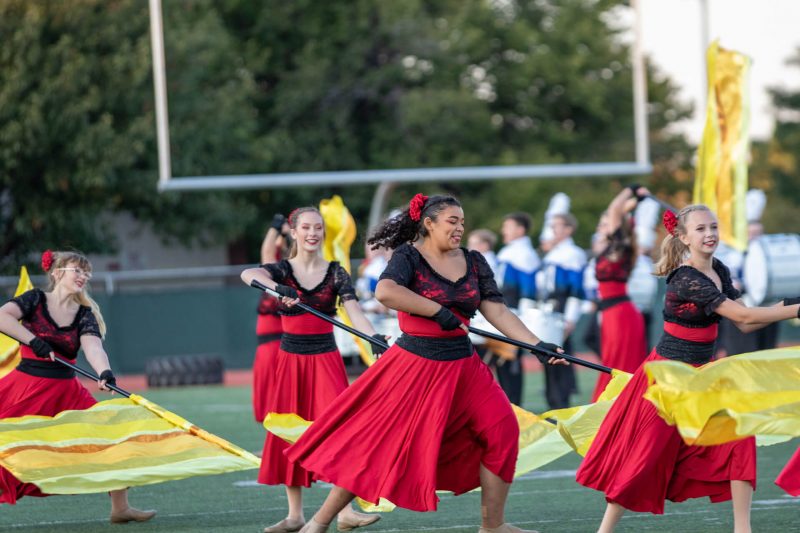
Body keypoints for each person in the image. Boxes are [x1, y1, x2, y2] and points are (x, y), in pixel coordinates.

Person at [283, 193, 567, 533]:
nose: (460, 227)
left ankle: (493, 527)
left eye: (462, 222)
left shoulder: (474, 260)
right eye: (452, 221)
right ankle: (318, 522)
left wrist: (536, 344)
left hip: (464, 367)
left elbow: (497, 310)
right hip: (415, 367)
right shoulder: (408, 256)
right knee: (380, 446)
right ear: (428, 224)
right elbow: (386, 291)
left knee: (502, 432)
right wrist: (437, 311)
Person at [575, 204, 800, 533]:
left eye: (713, 227)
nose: (710, 234)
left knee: (738, 437)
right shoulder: (685, 278)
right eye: (700, 229)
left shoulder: (719, 270)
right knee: (643, 457)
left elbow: (746, 321)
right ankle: (604, 531)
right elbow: (744, 317)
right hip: (667, 379)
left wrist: (789, 305)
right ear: (682, 237)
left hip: (704, 377)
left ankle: (743, 529)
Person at [240, 206, 385, 533]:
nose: (313, 233)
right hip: (290, 362)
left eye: (318, 227)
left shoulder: (336, 272)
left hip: (326, 361)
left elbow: (354, 311)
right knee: (288, 433)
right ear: (294, 231)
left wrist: (373, 335)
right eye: (306, 227)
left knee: (342, 431)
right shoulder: (281, 270)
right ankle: (295, 515)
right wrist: (278, 288)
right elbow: (248, 275)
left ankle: (345, 512)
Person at [0, 250, 156, 523]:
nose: (84, 277)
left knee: (111, 437)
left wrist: (104, 372)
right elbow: (3, 317)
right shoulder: (34, 300)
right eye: (78, 271)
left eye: (87, 273)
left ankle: (120, 508)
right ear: (58, 273)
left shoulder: (85, 314)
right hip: (25, 388)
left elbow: (94, 347)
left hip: (65, 391)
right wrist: (33, 341)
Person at [589, 186, 648, 401]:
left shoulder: (620, 246)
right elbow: (618, 212)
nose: (601, 226)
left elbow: (615, 209)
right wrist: (637, 200)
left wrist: (630, 189)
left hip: (620, 314)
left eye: (605, 223)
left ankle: (614, 412)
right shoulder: (612, 248)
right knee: (612, 363)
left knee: (618, 365)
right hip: (614, 313)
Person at [537, 212, 586, 409]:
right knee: (549, 354)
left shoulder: (572, 253)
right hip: (550, 307)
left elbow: (575, 289)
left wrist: (570, 318)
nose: (554, 230)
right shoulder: (555, 252)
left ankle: (561, 404)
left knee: (560, 356)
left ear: (568, 229)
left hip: (561, 309)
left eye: (558, 226)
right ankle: (554, 401)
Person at [493, 213, 540, 405]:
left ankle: (514, 406)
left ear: (520, 230)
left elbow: (528, 290)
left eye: (508, 226)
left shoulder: (525, 254)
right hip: (502, 313)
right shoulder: (509, 252)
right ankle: (507, 404)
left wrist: (523, 320)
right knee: (501, 363)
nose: (504, 230)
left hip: (513, 315)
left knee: (510, 363)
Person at [253, 213, 290, 422]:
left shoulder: (286, 270)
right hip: (269, 345)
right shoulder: (281, 267)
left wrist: (276, 225)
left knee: (276, 407)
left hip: (278, 346)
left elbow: (267, 252)